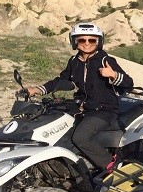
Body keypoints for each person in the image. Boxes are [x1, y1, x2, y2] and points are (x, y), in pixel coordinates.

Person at [25, 22, 133, 171]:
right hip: (82, 107)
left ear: (98, 42)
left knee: (80, 138)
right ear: (75, 42)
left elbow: (129, 84)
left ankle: (111, 164)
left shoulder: (105, 60)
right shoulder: (74, 62)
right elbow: (61, 80)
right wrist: (38, 89)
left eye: (92, 40)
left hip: (104, 110)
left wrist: (113, 74)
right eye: (82, 40)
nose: (87, 44)